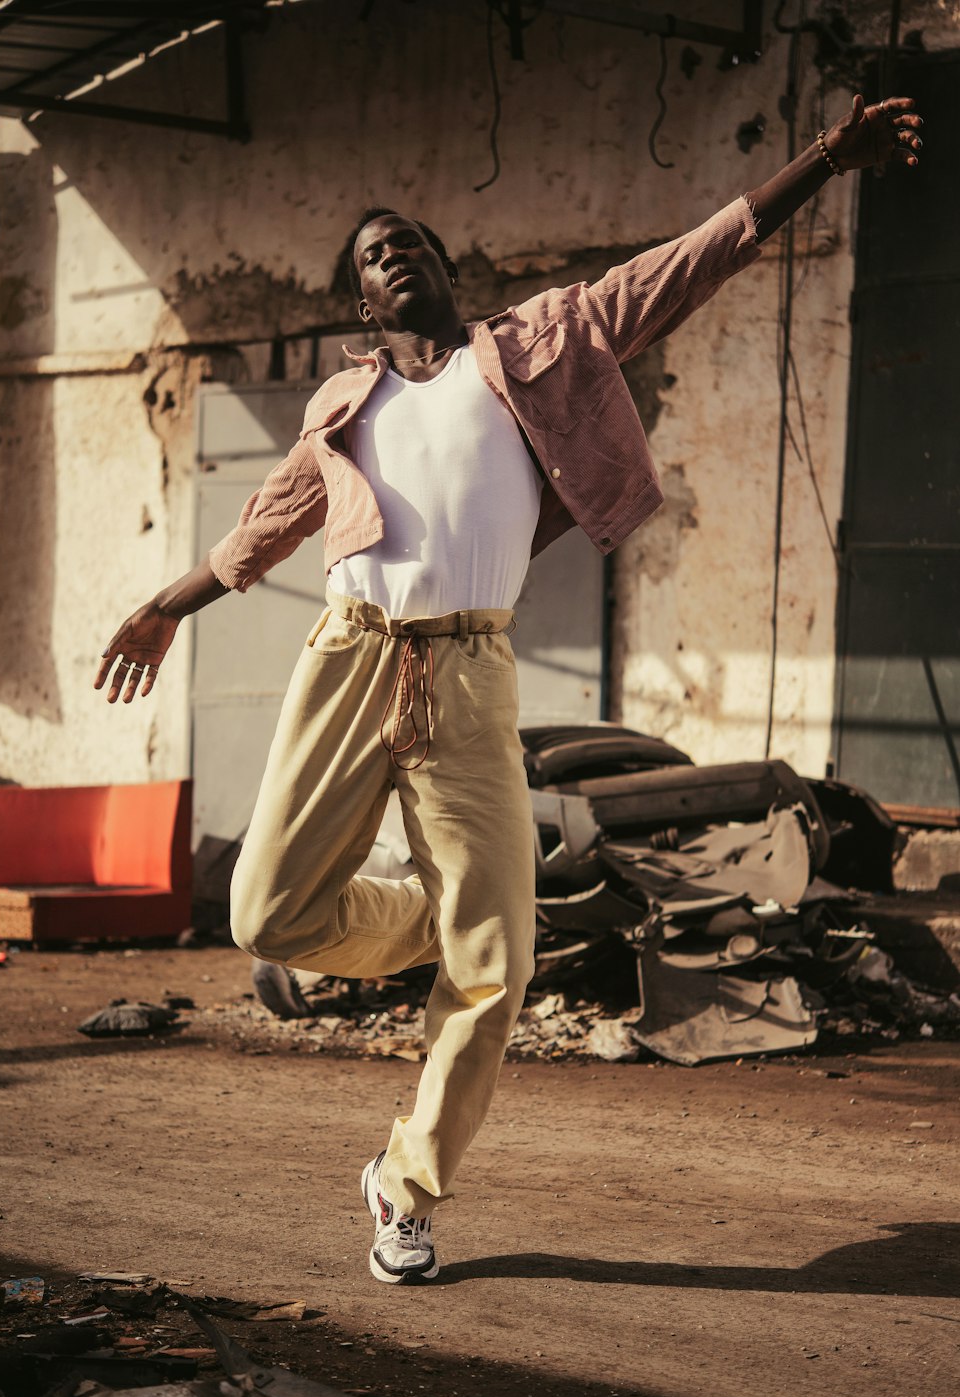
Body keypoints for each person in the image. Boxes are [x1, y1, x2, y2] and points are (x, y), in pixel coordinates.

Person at [96, 95, 922, 1285]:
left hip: (471, 670)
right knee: (265, 916)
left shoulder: (539, 343)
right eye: (378, 255)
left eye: (414, 243)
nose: (401, 257)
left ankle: (407, 1185)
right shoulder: (346, 408)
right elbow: (259, 533)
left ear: (441, 272)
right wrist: (162, 610)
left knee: (498, 973)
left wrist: (821, 163)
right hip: (349, 657)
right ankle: (440, 922)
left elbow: (684, 266)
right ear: (364, 304)